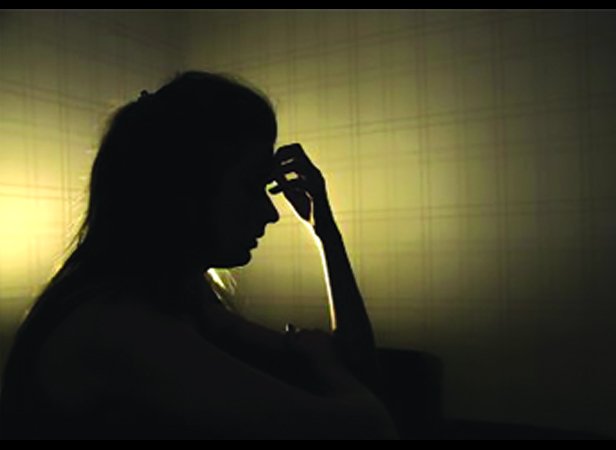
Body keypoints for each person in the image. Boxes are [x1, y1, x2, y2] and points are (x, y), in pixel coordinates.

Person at [0, 71, 397, 439]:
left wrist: (324, 230)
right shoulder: (119, 326)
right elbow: (371, 428)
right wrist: (321, 362)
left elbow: (358, 367)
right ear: (186, 190)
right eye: (251, 186)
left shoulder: (181, 296)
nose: (271, 212)